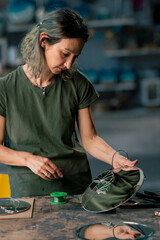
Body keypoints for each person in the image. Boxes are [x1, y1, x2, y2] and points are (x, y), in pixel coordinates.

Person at [0, 8, 138, 198]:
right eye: (65, 53)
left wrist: (115, 158)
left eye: (75, 57)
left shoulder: (78, 83)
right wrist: (29, 159)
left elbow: (90, 139)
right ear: (44, 41)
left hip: (76, 189)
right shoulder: (5, 88)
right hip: (28, 193)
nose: (69, 64)